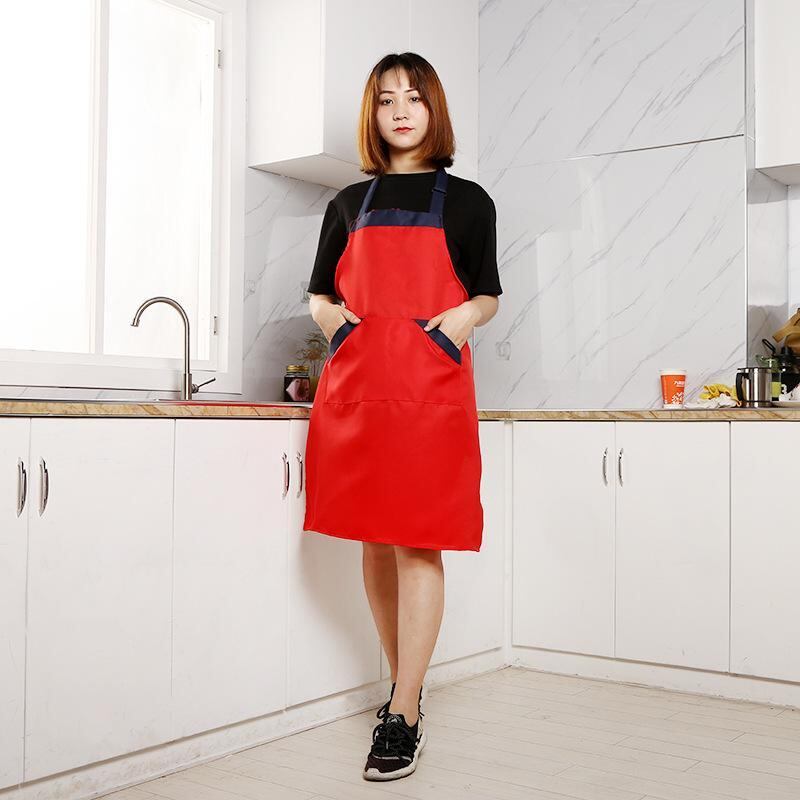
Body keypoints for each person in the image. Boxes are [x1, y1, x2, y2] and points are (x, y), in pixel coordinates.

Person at [303, 52, 502, 782]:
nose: (400, 110)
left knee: (419, 544)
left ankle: (406, 708)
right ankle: (402, 690)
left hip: (429, 392)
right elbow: (320, 294)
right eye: (386, 99)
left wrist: (460, 321)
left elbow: (487, 293)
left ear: (433, 109)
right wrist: (337, 327)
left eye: (414, 97)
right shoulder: (346, 204)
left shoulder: (470, 201)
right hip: (360, 392)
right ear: (374, 115)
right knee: (374, 542)